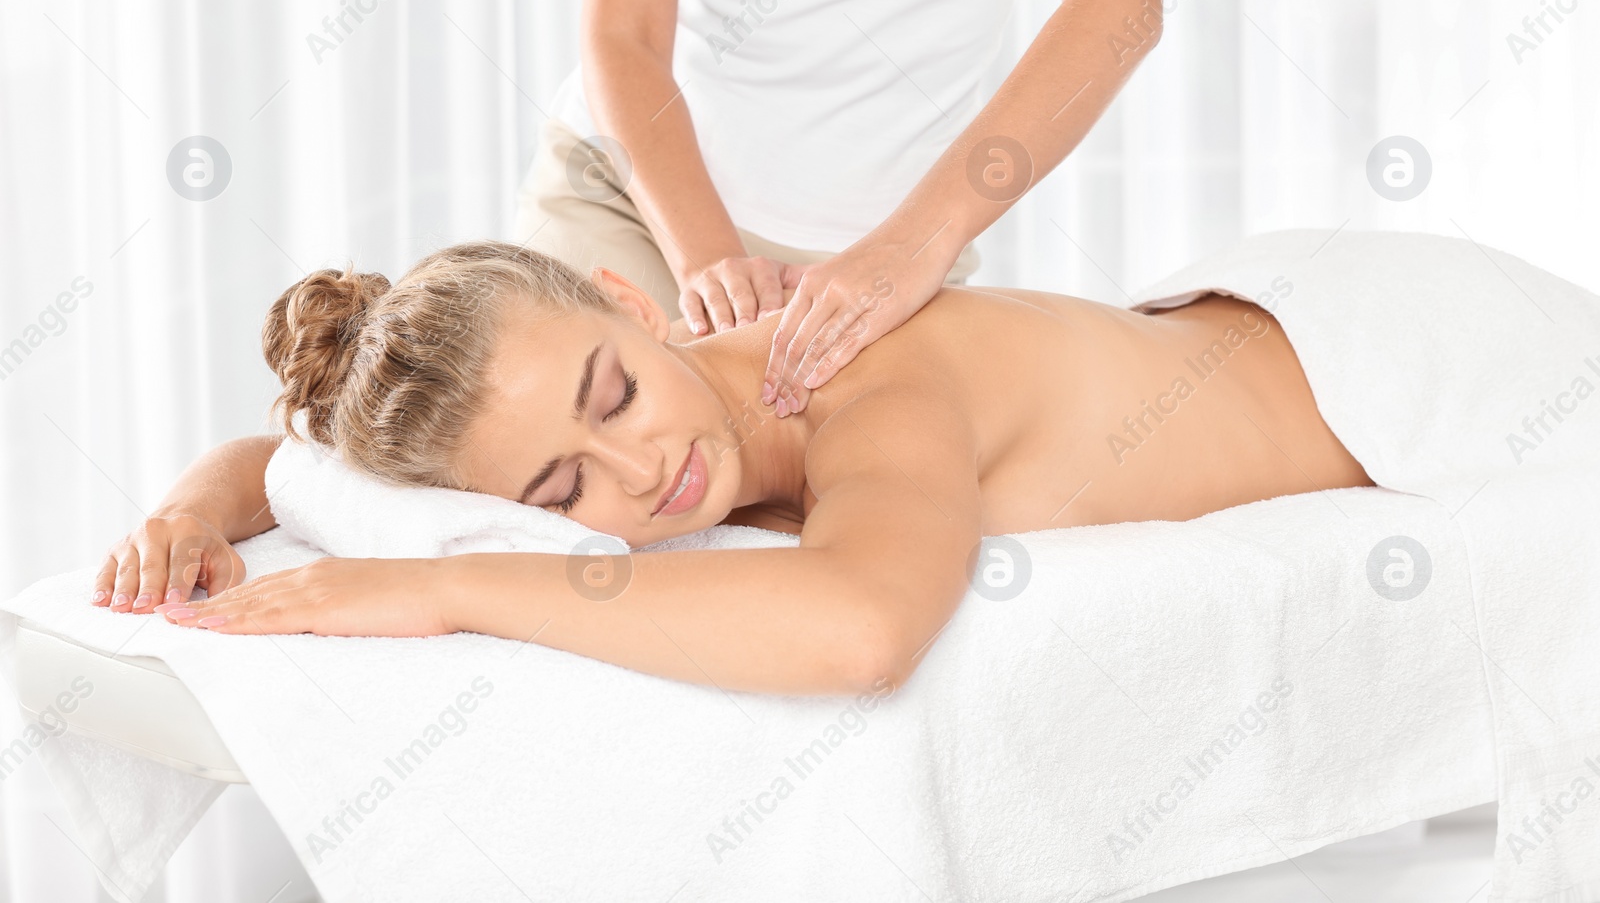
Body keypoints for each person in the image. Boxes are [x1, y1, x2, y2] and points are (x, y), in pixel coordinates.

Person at [93, 241, 1369, 695]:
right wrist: (188, 513)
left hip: (1376, 359)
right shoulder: (634, 394)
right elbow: (284, 456)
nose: (641, 467)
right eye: (558, 492)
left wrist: (454, 586)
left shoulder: (868, 383)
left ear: (633, 304)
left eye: (617, 393)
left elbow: (863, 627)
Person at [521, 0, 1165, 420]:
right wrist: (710, 263)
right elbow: (621, 34)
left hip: (886, 252)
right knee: (551, 468)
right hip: (635, 198)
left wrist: (914, 246)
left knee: (850, 499)